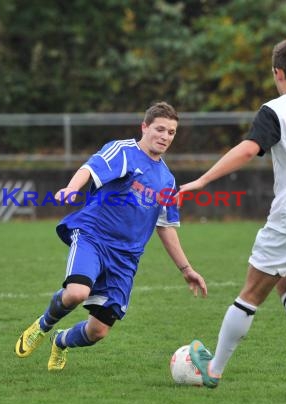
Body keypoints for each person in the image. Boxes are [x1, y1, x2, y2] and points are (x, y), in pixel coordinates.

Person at [180, 38, 286, 395]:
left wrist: (201, 180)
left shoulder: (274, 110)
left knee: (249, 295)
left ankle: (213, 370)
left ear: (277, 72)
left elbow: (248, 149)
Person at [15, 102, 207, 371]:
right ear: (145, 127)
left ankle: (60, 341)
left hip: (126, 258)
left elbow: (165, 227)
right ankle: (43, 325)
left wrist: (186, 269)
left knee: (98, 332)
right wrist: (72, 188)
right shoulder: (124, 151)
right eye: (160, 129)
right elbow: (90, 168)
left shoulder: (167, 180)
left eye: (172, 132)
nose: (165, 136)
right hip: (94, 237)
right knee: (77, 293)